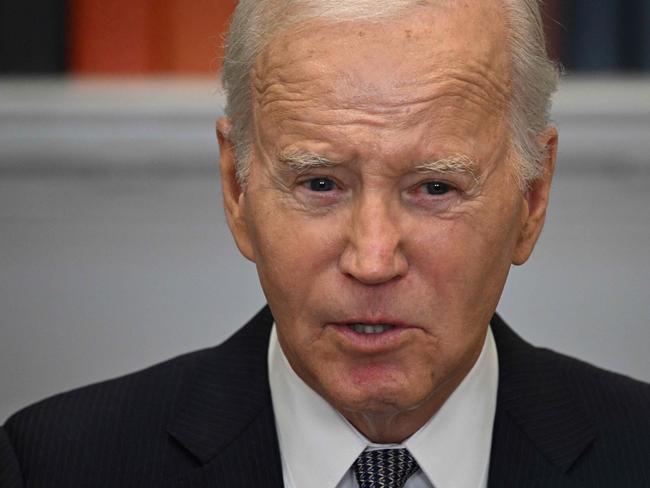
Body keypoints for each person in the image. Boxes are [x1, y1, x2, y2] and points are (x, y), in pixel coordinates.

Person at [1, 0, 649, 486]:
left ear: (532, 199)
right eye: (319, 183)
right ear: (237, 186)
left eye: (434, 189)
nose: (371, 261)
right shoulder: (54, 464)